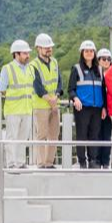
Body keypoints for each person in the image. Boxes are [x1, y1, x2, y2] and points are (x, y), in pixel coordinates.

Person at [68, 39, 105, 169]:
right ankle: (82, 161)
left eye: (91, 51)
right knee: (82, 135)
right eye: (86, 51)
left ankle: (93, 160)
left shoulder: (100, 69)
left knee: (94, 135)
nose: (89, 53)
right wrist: (75, 99)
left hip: (97, 108)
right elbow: (71, 89)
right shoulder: (76, 69)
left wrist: (104, 107)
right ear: (82, 53)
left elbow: (103, 90)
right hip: (82, 108)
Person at [0, 39, 34, 168]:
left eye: (28, 53)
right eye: (24, 53)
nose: (27, 56)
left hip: (27, 109)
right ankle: (11, 163)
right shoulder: (7, 69)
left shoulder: (30, 69)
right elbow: (2, 88)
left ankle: (21, 162)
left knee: (23, 138)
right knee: (12, 138)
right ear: (16, 54)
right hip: (13, 110)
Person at [31, 32, 62, 168]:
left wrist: (56, 96)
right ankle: (41, 163)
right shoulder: (33, 65)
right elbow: (37, 87)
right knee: (42, 135)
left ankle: (49, 162)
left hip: (55, 104)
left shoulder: (54, 62)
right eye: (46, 47)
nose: (49, 49)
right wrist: (50, 99)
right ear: (38, 48)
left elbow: (59, 81)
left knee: (54, 135)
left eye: (50, 47)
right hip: (41, 105)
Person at [96, 48, 112, 168]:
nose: (106, 61)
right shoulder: (95, 75)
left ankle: (106, 162)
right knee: (96, 135)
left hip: (111, 110)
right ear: (98, 60)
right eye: (103, 59)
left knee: (107, 136)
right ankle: (96, 161)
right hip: (97, 109)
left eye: (108, 59)